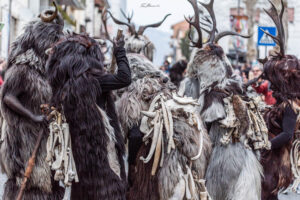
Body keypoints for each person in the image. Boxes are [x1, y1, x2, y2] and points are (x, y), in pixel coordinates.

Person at [46, 33, 130, 200]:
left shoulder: (63, 85)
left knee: (83, 189)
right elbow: (125, 78)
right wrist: (120, 51)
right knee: (107, 187)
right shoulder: (96, 81)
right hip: (100, 146)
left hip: (78, 148)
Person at [0, 4, 64, 200]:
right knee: (29, 184)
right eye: (54, 40)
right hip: (25, 139)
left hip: (46, 137)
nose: (56, 46)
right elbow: (8, 96)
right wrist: (33, 117)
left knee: (47, 183)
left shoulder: (48, 69)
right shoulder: (23, 67)